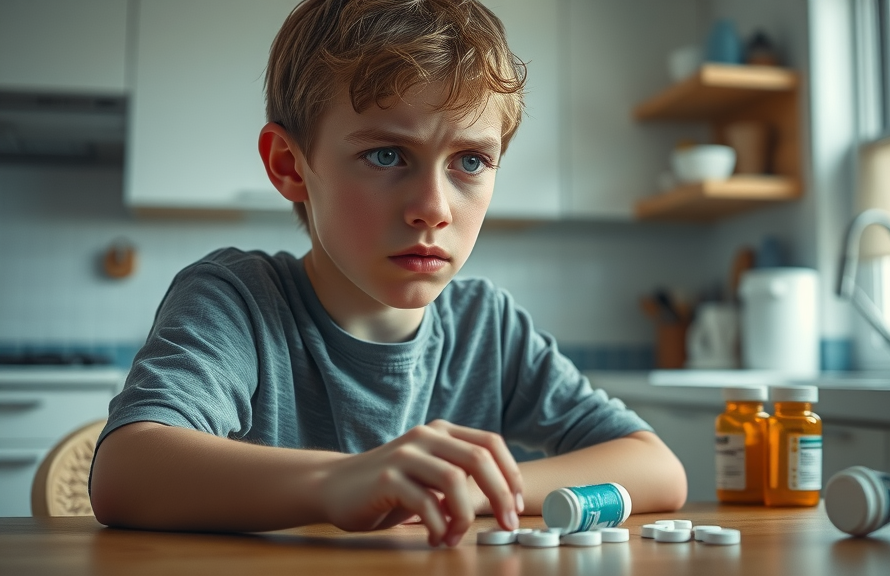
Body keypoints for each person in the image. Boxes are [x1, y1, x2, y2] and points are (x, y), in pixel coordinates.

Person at [89, 0, 687, 547]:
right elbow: (125, 470)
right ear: (290, 166)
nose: (433, 208)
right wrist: (341, 480)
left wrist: (464, 486)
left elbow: (657, 467)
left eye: (470, 161)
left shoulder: (487, 326)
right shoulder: (238, 301)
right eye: (386, 155)